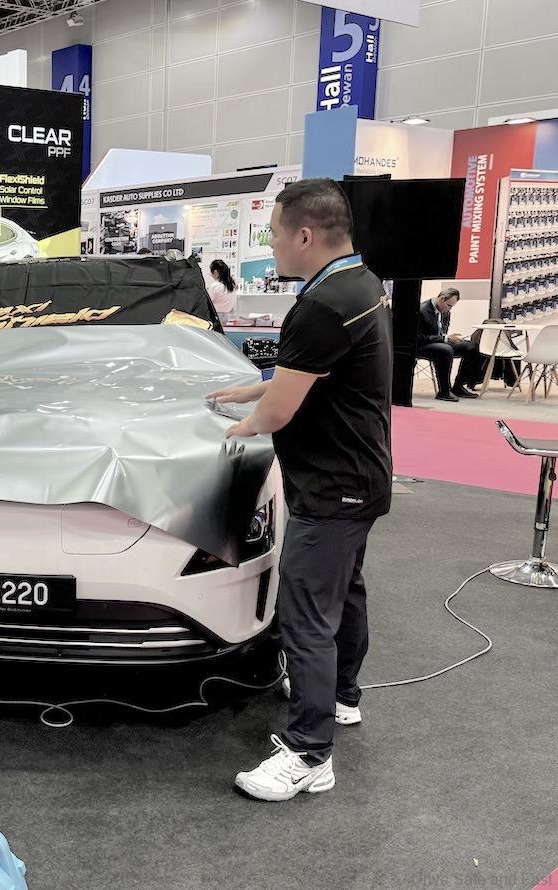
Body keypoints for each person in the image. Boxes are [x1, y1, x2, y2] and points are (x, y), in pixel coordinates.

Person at [208, 178, 392, 802]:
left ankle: (309, 753)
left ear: (304, 235)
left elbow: (279, 412)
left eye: (275, 234)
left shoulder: (320, 305)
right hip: (363, 475)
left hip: (331, 486)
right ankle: (341, 695)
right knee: (346, 591)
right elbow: (316, 372)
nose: (272, 245)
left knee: (306, 611)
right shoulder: (360, 284)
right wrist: (251, 389)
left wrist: (236, 426)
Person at [416, 287, 483, 401]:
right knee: (445, 350)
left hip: (439, 342)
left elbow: (443, 332)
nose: (449, 309)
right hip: (422, 345)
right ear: (442, 299)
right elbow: (419, 338)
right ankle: (444, 391)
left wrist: (448, 338)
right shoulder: (422, 310)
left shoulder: (445, 312)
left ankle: (459, 386)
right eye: (449, 305)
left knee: (471, 347)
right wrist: (445, 339)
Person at [207, 259, 238, 323]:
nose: (210, 274)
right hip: (227, 317)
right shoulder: (232, 285)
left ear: (215, 272)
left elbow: (208, 303)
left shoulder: (215, 286)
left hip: (215, 317)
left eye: (211, 271)